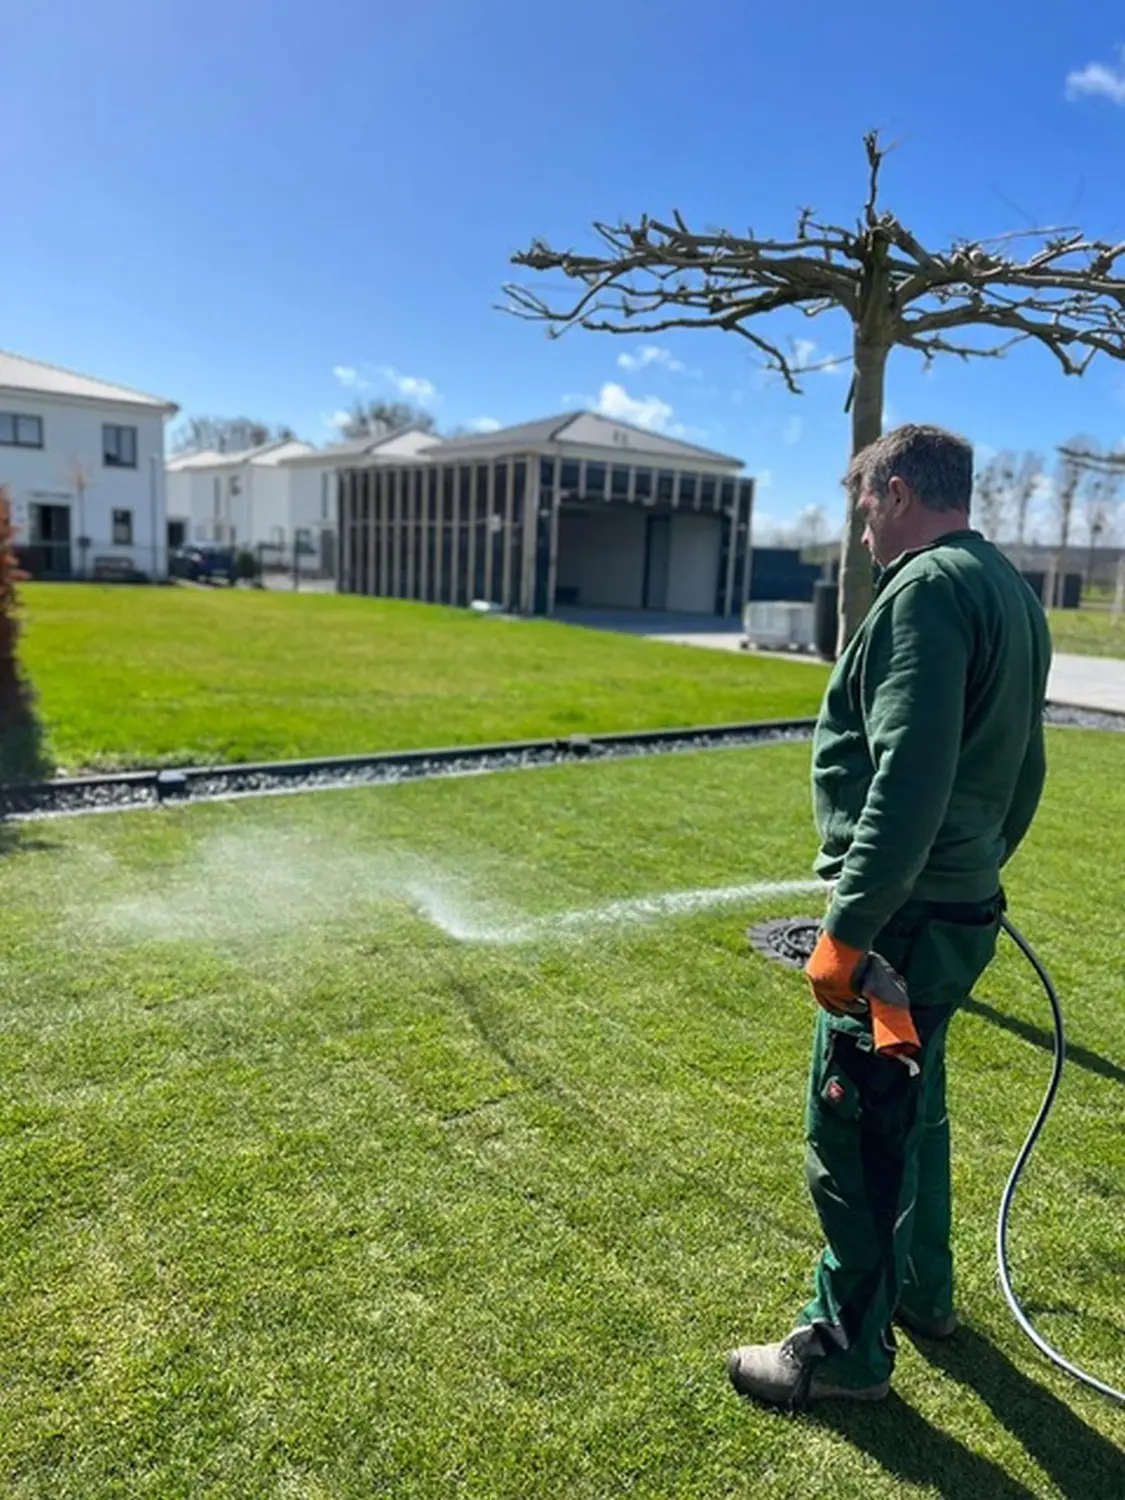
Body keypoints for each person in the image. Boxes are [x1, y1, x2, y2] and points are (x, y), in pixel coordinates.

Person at [727, 424, 1052, 1408]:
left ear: (899, 491)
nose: (862, 527)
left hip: (900, 932)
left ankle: (845, 1351)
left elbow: (908, 774)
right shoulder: (1006, 588)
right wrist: (976, 869)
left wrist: (853, 927)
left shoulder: (923, 590)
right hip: (955, 912)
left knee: (856, 1128)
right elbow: (1028, 770)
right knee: (919, 1107)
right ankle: (923, 1292)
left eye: (865, 505)